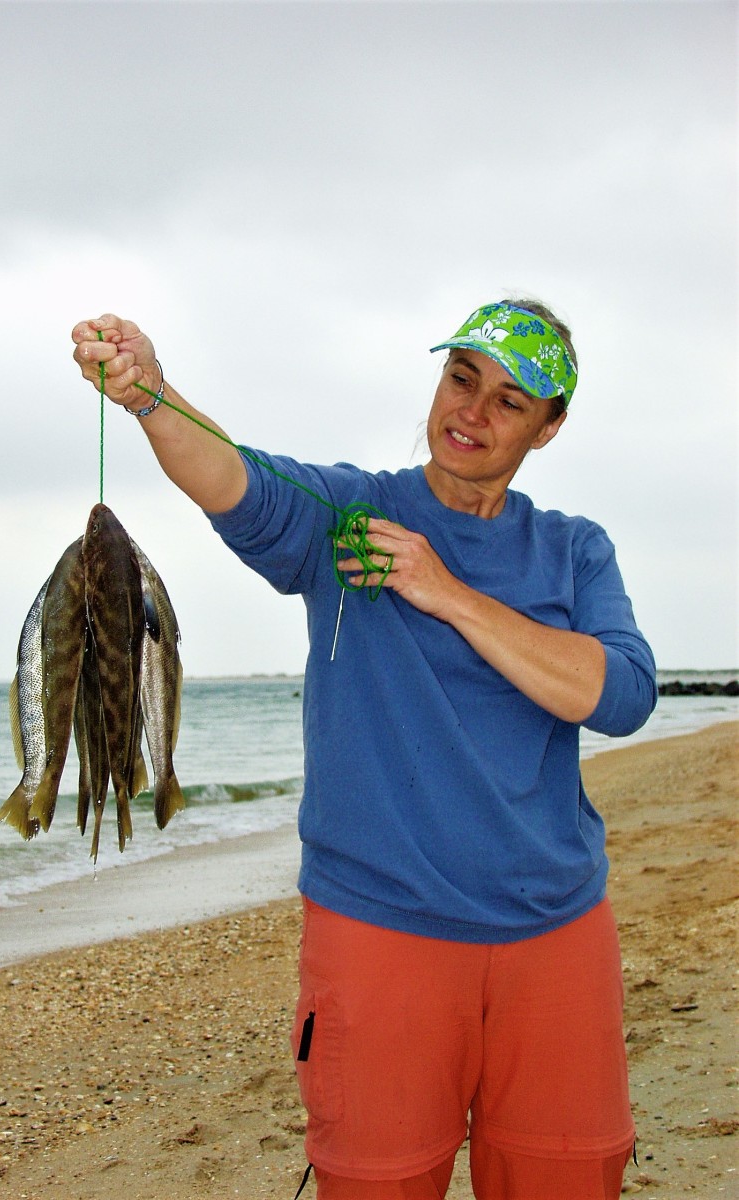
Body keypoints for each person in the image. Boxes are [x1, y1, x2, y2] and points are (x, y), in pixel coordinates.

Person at [72, 299, 656, 1200]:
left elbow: (620, 695)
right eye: (461, 379)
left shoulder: (573, 552)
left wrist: (446, 590)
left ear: (549, 428)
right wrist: (151, 395)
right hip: (381, 930)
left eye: (509, 401)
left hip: (558, 933)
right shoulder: (349, 515)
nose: (472, 411)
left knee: (568, 1179)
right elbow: (238, 482)